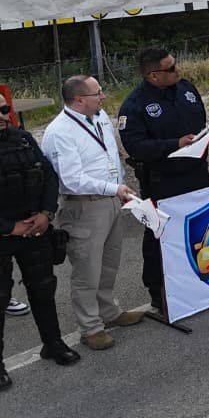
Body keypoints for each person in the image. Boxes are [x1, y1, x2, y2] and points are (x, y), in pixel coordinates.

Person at [42, 76, 144, 351]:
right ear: (78, 99)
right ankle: (90, 327)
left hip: (110, 199)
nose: (102, 96)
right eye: (97, 93)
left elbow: (110, 158)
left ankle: (109, 312)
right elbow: (71, 179)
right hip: (83, 205)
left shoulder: (99, 118)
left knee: (109, 262)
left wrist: (119, 187)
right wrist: (114, 187)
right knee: (87, 269)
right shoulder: (60, 132)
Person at [118, 47, 209, 311]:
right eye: (170, 68)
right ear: (153, 75)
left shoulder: (186, 88)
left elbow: (201, 119)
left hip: (196, 171)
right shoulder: (134, 105)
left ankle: (199, 276)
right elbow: (136, 146)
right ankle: (159, 290)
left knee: (201, 226)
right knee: (160, 235)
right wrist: (175, 144)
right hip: (163, 179)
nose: (177, 70)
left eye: (175, 64)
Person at [0, 91, 79, 389]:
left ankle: (53, 343)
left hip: (35, 228)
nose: (2, 115)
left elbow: (49, 176)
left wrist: (47, 213)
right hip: (6, 233)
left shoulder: (23, 139)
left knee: (43, 289)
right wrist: (10, 227)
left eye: (4, 108)